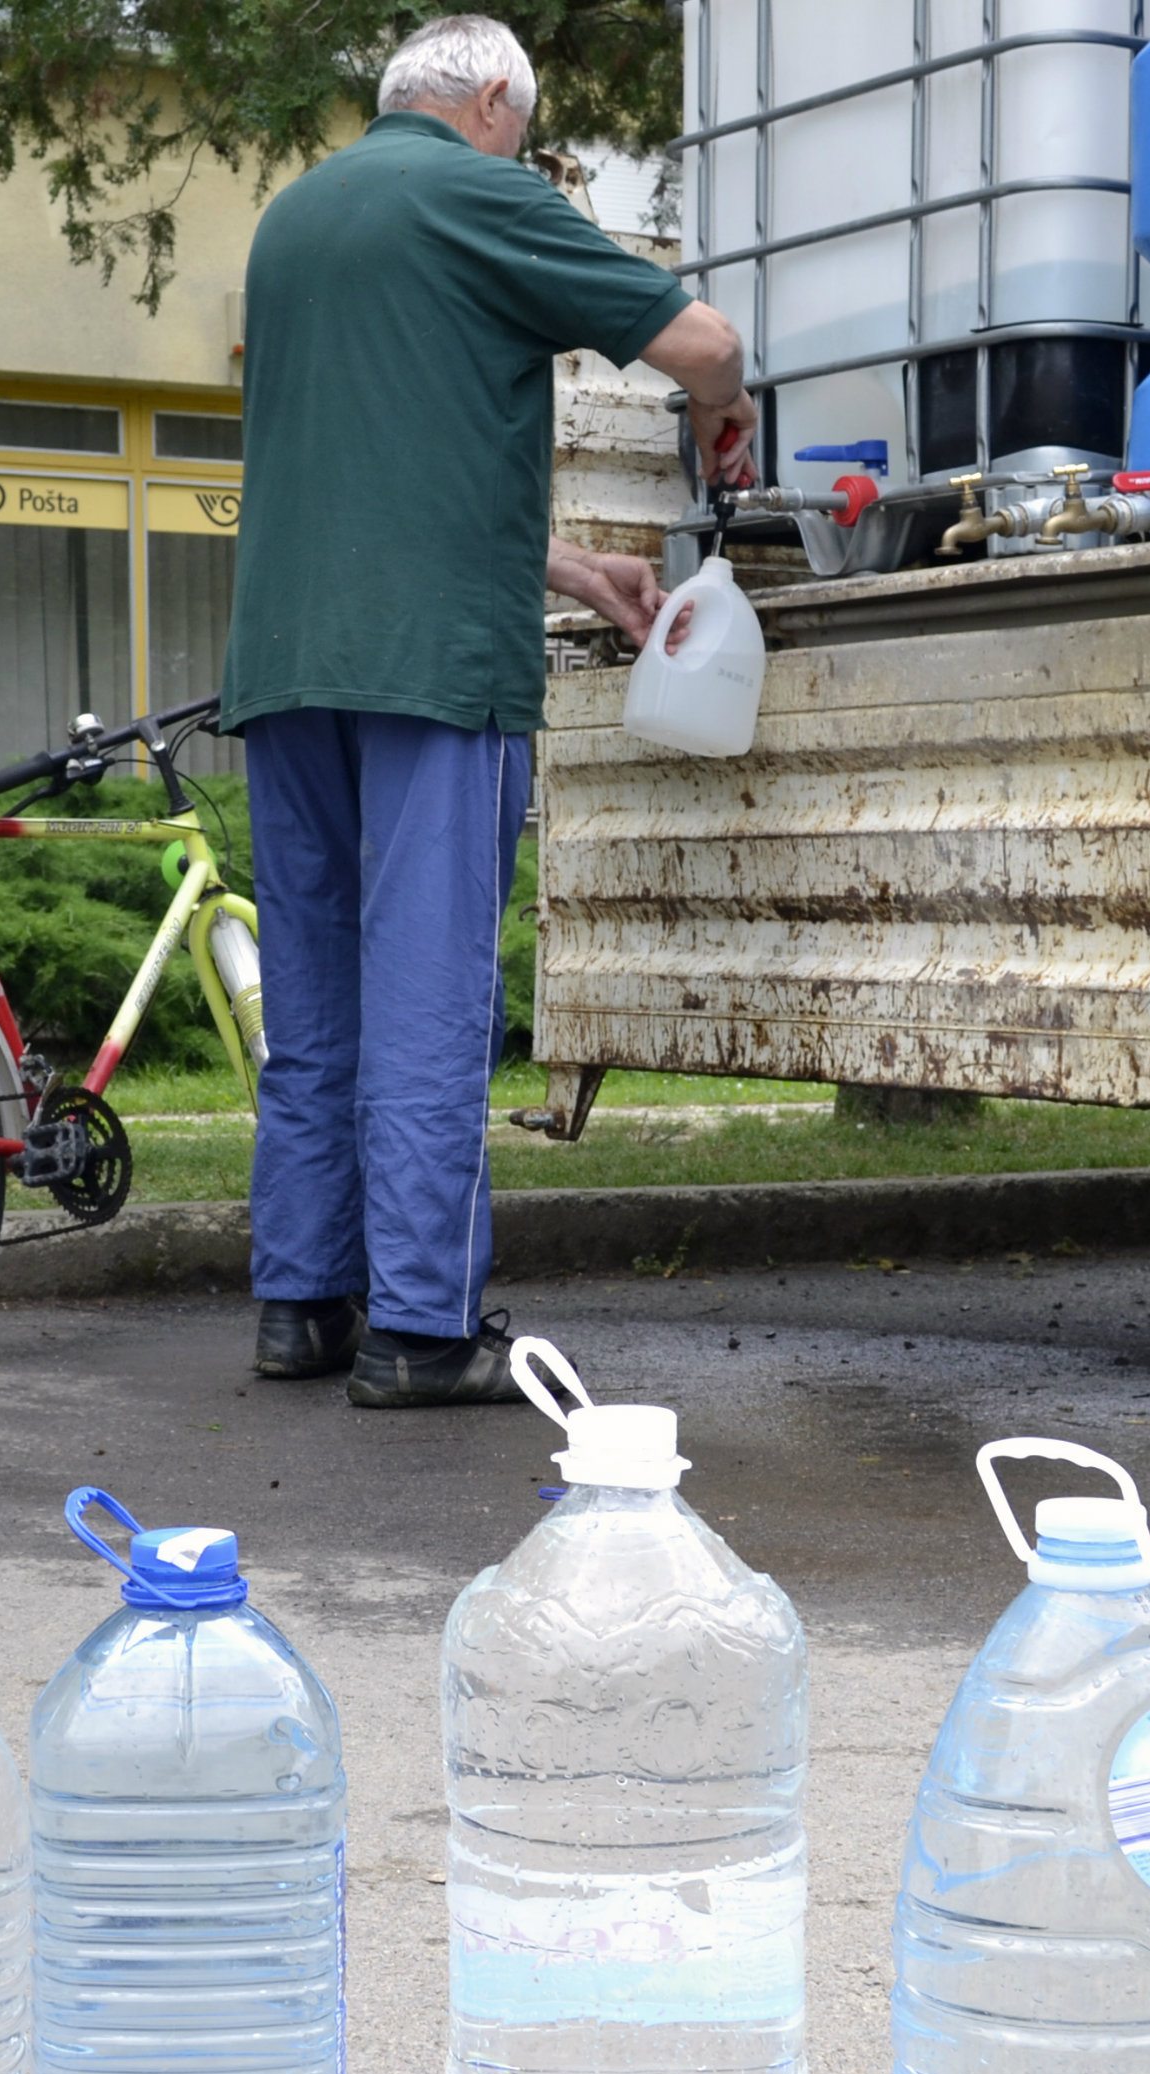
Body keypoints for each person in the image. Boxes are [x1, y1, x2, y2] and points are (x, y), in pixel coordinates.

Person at [222, 13, 758, 1408]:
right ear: (492, 105)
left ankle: (303, 1304)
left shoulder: (294, 225)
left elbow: (394, 465)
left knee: (319, 999)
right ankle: (416, 1326)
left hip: (287, 664)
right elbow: (700, 339)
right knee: (429, 993)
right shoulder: (480, 192)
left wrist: (579, 569)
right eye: (527, 133)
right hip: (428, 670)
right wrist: (727, 409)